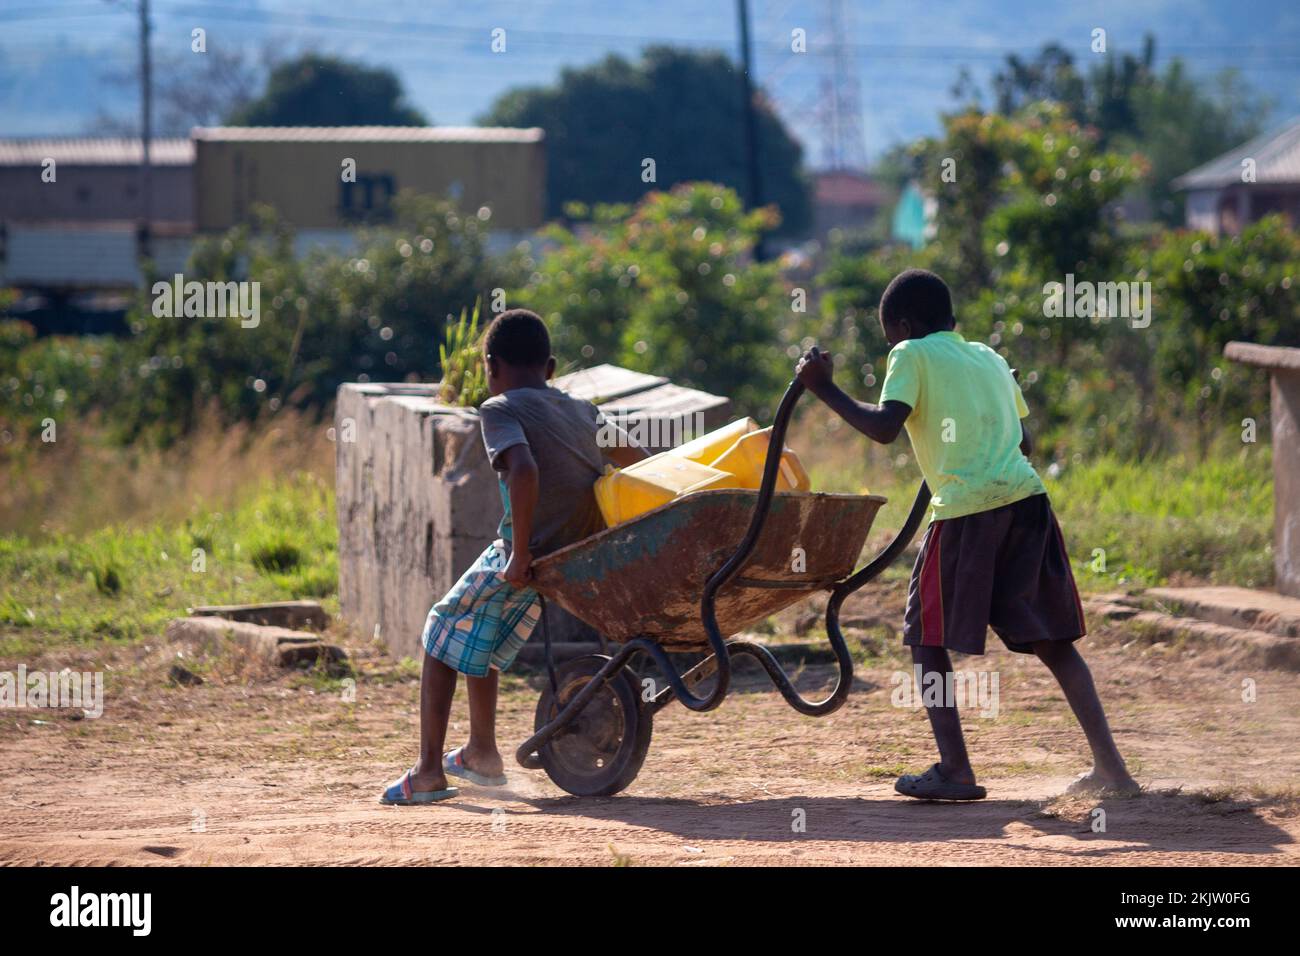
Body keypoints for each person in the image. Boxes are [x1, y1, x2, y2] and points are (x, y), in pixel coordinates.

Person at [795, 268, 1138, 800]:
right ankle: (1112, 769)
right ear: (951, 319)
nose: (894, 347)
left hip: (966, 512)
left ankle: (955, 770)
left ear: (903, 326)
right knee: (1053, 639)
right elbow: (1022, 441)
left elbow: (885, 427)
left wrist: (823, 389)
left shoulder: (910, 354)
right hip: (1027, 504)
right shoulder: (992, 358)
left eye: (891, 338)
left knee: (925, 634)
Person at [381, 309, 646, 804]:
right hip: (580, 550)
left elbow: (522, 470)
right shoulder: (582, 409)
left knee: (440, 632)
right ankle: (481, 753)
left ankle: (429, 772)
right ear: (550, 368)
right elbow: (637, 460)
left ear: (490, 365)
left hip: (533, 551)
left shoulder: (498, 408)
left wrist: (520, 555)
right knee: (480, 633)